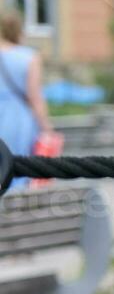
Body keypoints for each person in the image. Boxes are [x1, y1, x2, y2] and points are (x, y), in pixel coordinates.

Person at [0, 10, 53, 189]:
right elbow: (34, 97)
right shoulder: (28, 56)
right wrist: (47, 129)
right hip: (17, 118)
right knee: (18, 166)